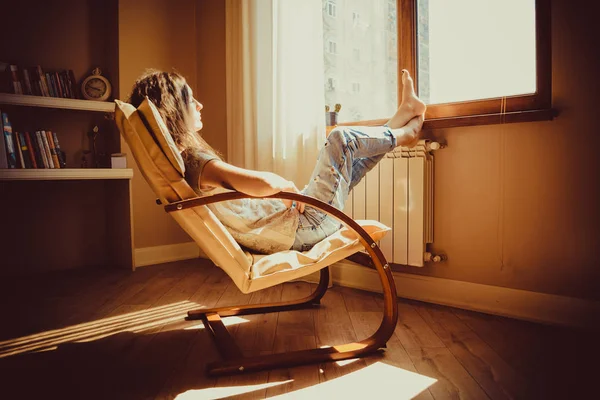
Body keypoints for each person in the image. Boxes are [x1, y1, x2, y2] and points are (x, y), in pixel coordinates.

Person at [128, 69, 426, 254]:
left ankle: (401, 118)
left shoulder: (180, 164)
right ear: (174, 109)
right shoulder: (194, 162)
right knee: (341, 140)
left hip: (292, 227)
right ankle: (405, 133)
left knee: (346, 163)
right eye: (191, 100)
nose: (199, 105)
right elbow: (261, 183)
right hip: (302, 228)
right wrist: (284, 186)